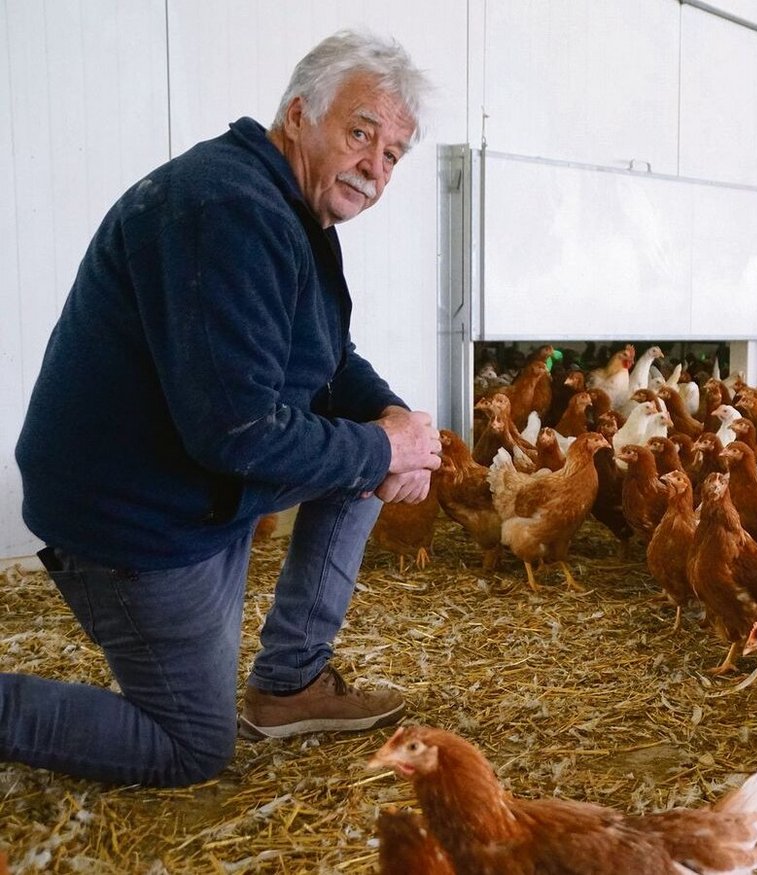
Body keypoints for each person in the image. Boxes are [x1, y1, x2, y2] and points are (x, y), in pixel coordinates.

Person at [3, 30, 439, 787]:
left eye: (393, 153)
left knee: (369, 453)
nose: (374, 166)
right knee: (190, 746)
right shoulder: (227, 210)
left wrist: (401, 425)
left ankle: (289, 682)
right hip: (132, 515)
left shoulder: (290, 211)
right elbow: (236, 432)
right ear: (299, 114)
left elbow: (326, 360)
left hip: (184, 488)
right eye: (361, 132)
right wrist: (383, 451)